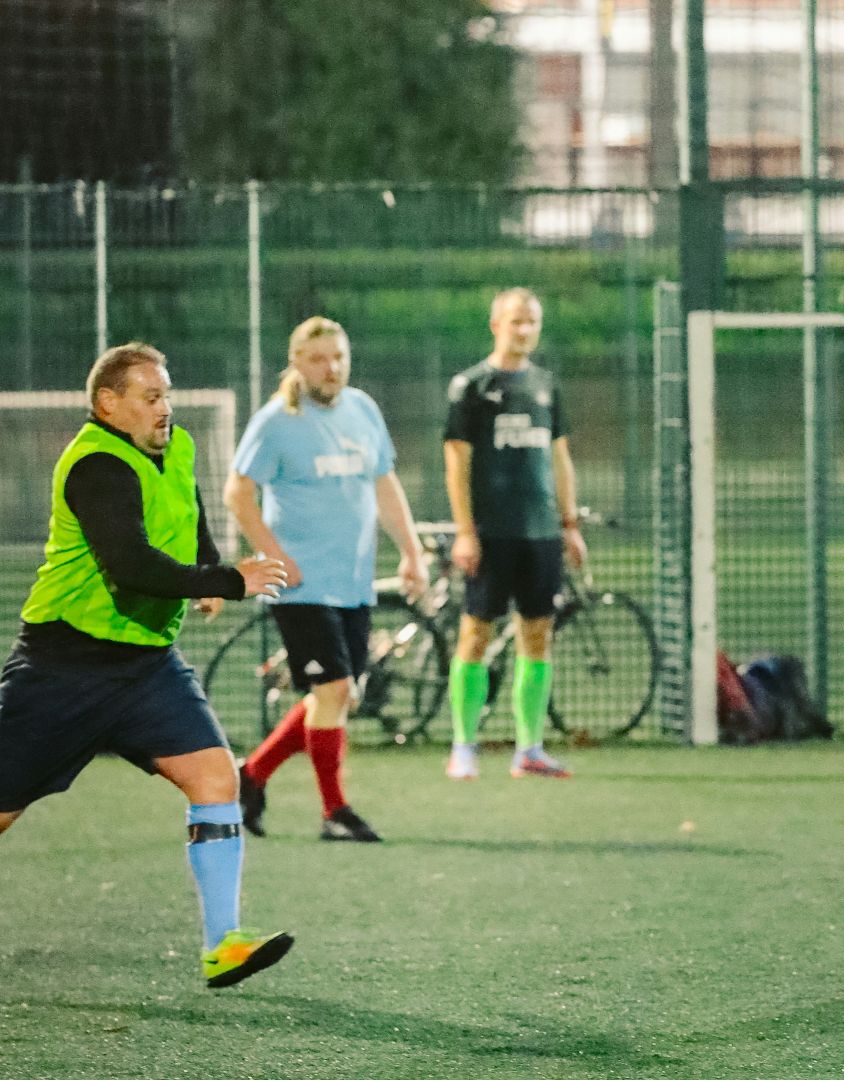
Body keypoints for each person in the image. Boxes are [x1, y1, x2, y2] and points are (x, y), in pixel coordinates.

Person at [0, 342, 295, 988]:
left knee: (218, 779)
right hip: (63, 668)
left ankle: (223, 946)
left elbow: (186, 514)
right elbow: (129, 564)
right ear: (109, 404)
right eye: (151, 397)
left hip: (146, 667)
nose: (166, 408)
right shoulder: (95, 466)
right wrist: (227, 578)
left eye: (167, 395)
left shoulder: (175, 445)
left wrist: (209, 571)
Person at [226, 317, 428, 842]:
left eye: (338, 357)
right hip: (300, 586)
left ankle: (251, 776)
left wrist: (411, 553)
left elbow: (384, 484)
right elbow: (237, 496)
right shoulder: (276, 421)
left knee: (336, 697)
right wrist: (275, 557)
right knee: (335, 688)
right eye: (318, 358)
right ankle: (334, 812)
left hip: (353, 582)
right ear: (296, 362)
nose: (331, 367)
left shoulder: (363, 409)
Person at [443, 287, 587, 780]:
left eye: (532, 322)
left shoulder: (547, 385)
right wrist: (465, 531)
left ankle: (530, 749)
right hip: (490, 534)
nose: (524, 330)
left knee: (538, 634)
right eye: (516, 321)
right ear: (496, 325)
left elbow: (560, 458)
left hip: (540, 535)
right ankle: (463, 744)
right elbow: (456, 463)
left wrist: (569, 525)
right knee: (476, 634)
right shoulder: (470, 386)